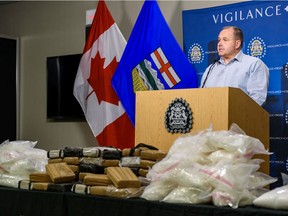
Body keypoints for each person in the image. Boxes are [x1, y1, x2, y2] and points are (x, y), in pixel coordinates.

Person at [200, 26, 269, 106]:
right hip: (212, 117)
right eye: (219, 40)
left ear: (237, 44)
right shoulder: (210, 69)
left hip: (241, 117)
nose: (219, 44)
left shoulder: (254, 64)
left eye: (225, 40)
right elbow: (202, 98)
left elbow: (257, 100)